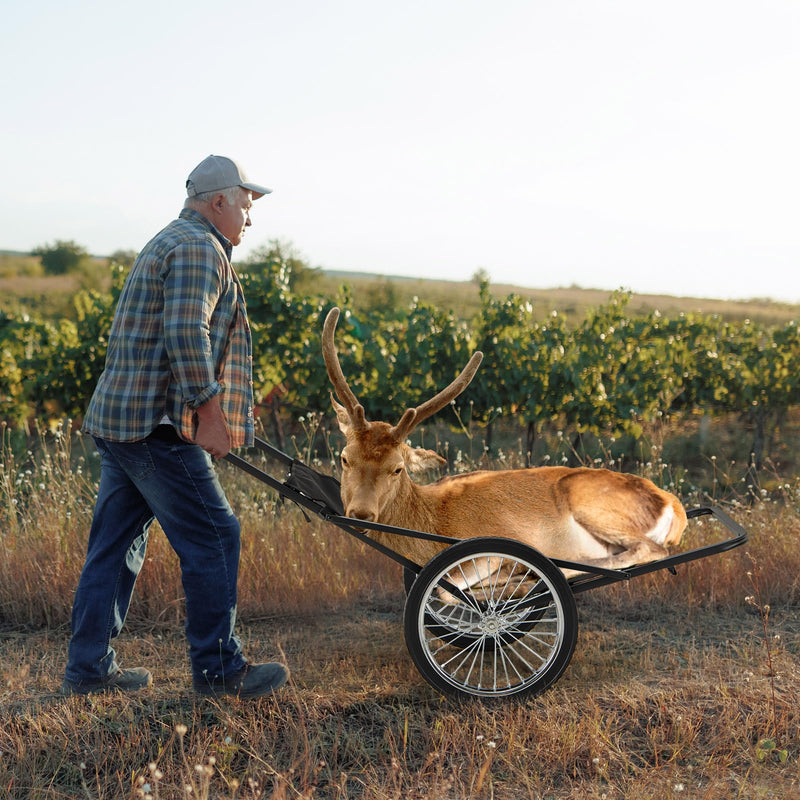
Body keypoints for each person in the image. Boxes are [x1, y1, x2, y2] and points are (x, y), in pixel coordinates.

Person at [61, 155, 289, 699]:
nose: (249, 219)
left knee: (113, 548)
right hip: (154, 430)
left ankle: (88, 670)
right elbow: (186, 334)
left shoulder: (173, 239)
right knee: (216, 536)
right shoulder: (198, 248)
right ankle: (219, 672)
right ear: (217, 202)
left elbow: (174, 341)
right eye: (245, 205)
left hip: (122, 422)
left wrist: (227, 405)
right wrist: (210, 414)